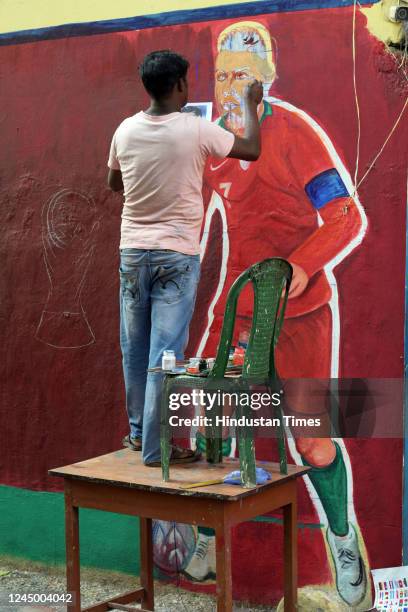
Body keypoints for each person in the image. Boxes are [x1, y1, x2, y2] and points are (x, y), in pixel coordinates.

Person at [184, 22, 368, 608]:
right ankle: (209, 540)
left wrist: (299, 267)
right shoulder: (213, 139)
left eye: (240, 76)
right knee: (205, 411)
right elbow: (193, 210)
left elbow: (346, 217)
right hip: (237, 311)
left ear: (264, 82)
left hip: (300, 316)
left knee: (312, 442)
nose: (228, 87)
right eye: (220, 76)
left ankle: (343, 545)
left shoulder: (296, 135)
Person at [107, 49, 264, 467]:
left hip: (132, 254)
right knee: (165, 357)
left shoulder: (125, 130)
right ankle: (158, 451)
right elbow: (250, 149)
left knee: (134, 350)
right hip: (175, 256)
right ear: (179, 86)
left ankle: (140, 435)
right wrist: (249, 104)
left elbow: (113, 182)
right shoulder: (196, 130)